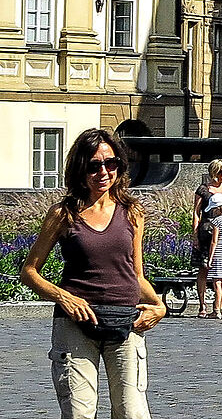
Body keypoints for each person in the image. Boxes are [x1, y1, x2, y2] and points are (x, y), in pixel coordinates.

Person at [20, 127, 165, 419]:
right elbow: (29, 271)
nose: (103, 172)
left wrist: (160, 306)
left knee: (131, 413)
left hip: (127, 324)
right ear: (80, 168)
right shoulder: (63, 213)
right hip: (75, 324)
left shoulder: (133, 212)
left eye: (110, 163)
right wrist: (64, 297)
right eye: (94, 165)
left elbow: (136, 275)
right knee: (79, 413)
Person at [194, 160, 222, 320]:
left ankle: (219, 307)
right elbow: (196, 212)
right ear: (215, 172)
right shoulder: (203, 189)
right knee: (204, 269)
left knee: (219, 275)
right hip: (206, 232)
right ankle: (203, 304)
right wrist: (195, 235)